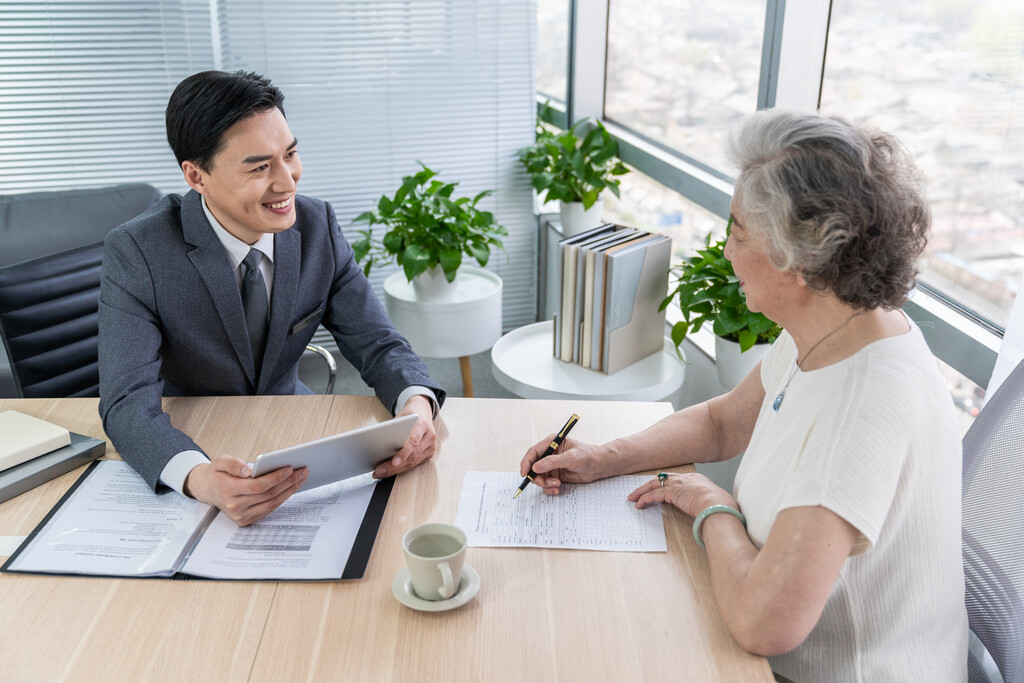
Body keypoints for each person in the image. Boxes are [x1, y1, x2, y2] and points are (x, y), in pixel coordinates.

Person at [520, 110, 968, 680]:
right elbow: (724, 423)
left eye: (738, 232)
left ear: (800, 261)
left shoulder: (864, 404)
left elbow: (763, 623)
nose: (727, 252)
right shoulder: (837, 326)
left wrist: (712, 507)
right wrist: (599, 458)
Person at [99, 70, 445, 526]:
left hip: (290, 433)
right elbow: (125, 403)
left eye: (291, 154)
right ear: (196, 176)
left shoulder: (317, 225)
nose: (287, 183)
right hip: (194, 436)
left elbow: (377, 342)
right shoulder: (138, 251)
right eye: (260, 167)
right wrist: (200, 478)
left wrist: (416, 409)